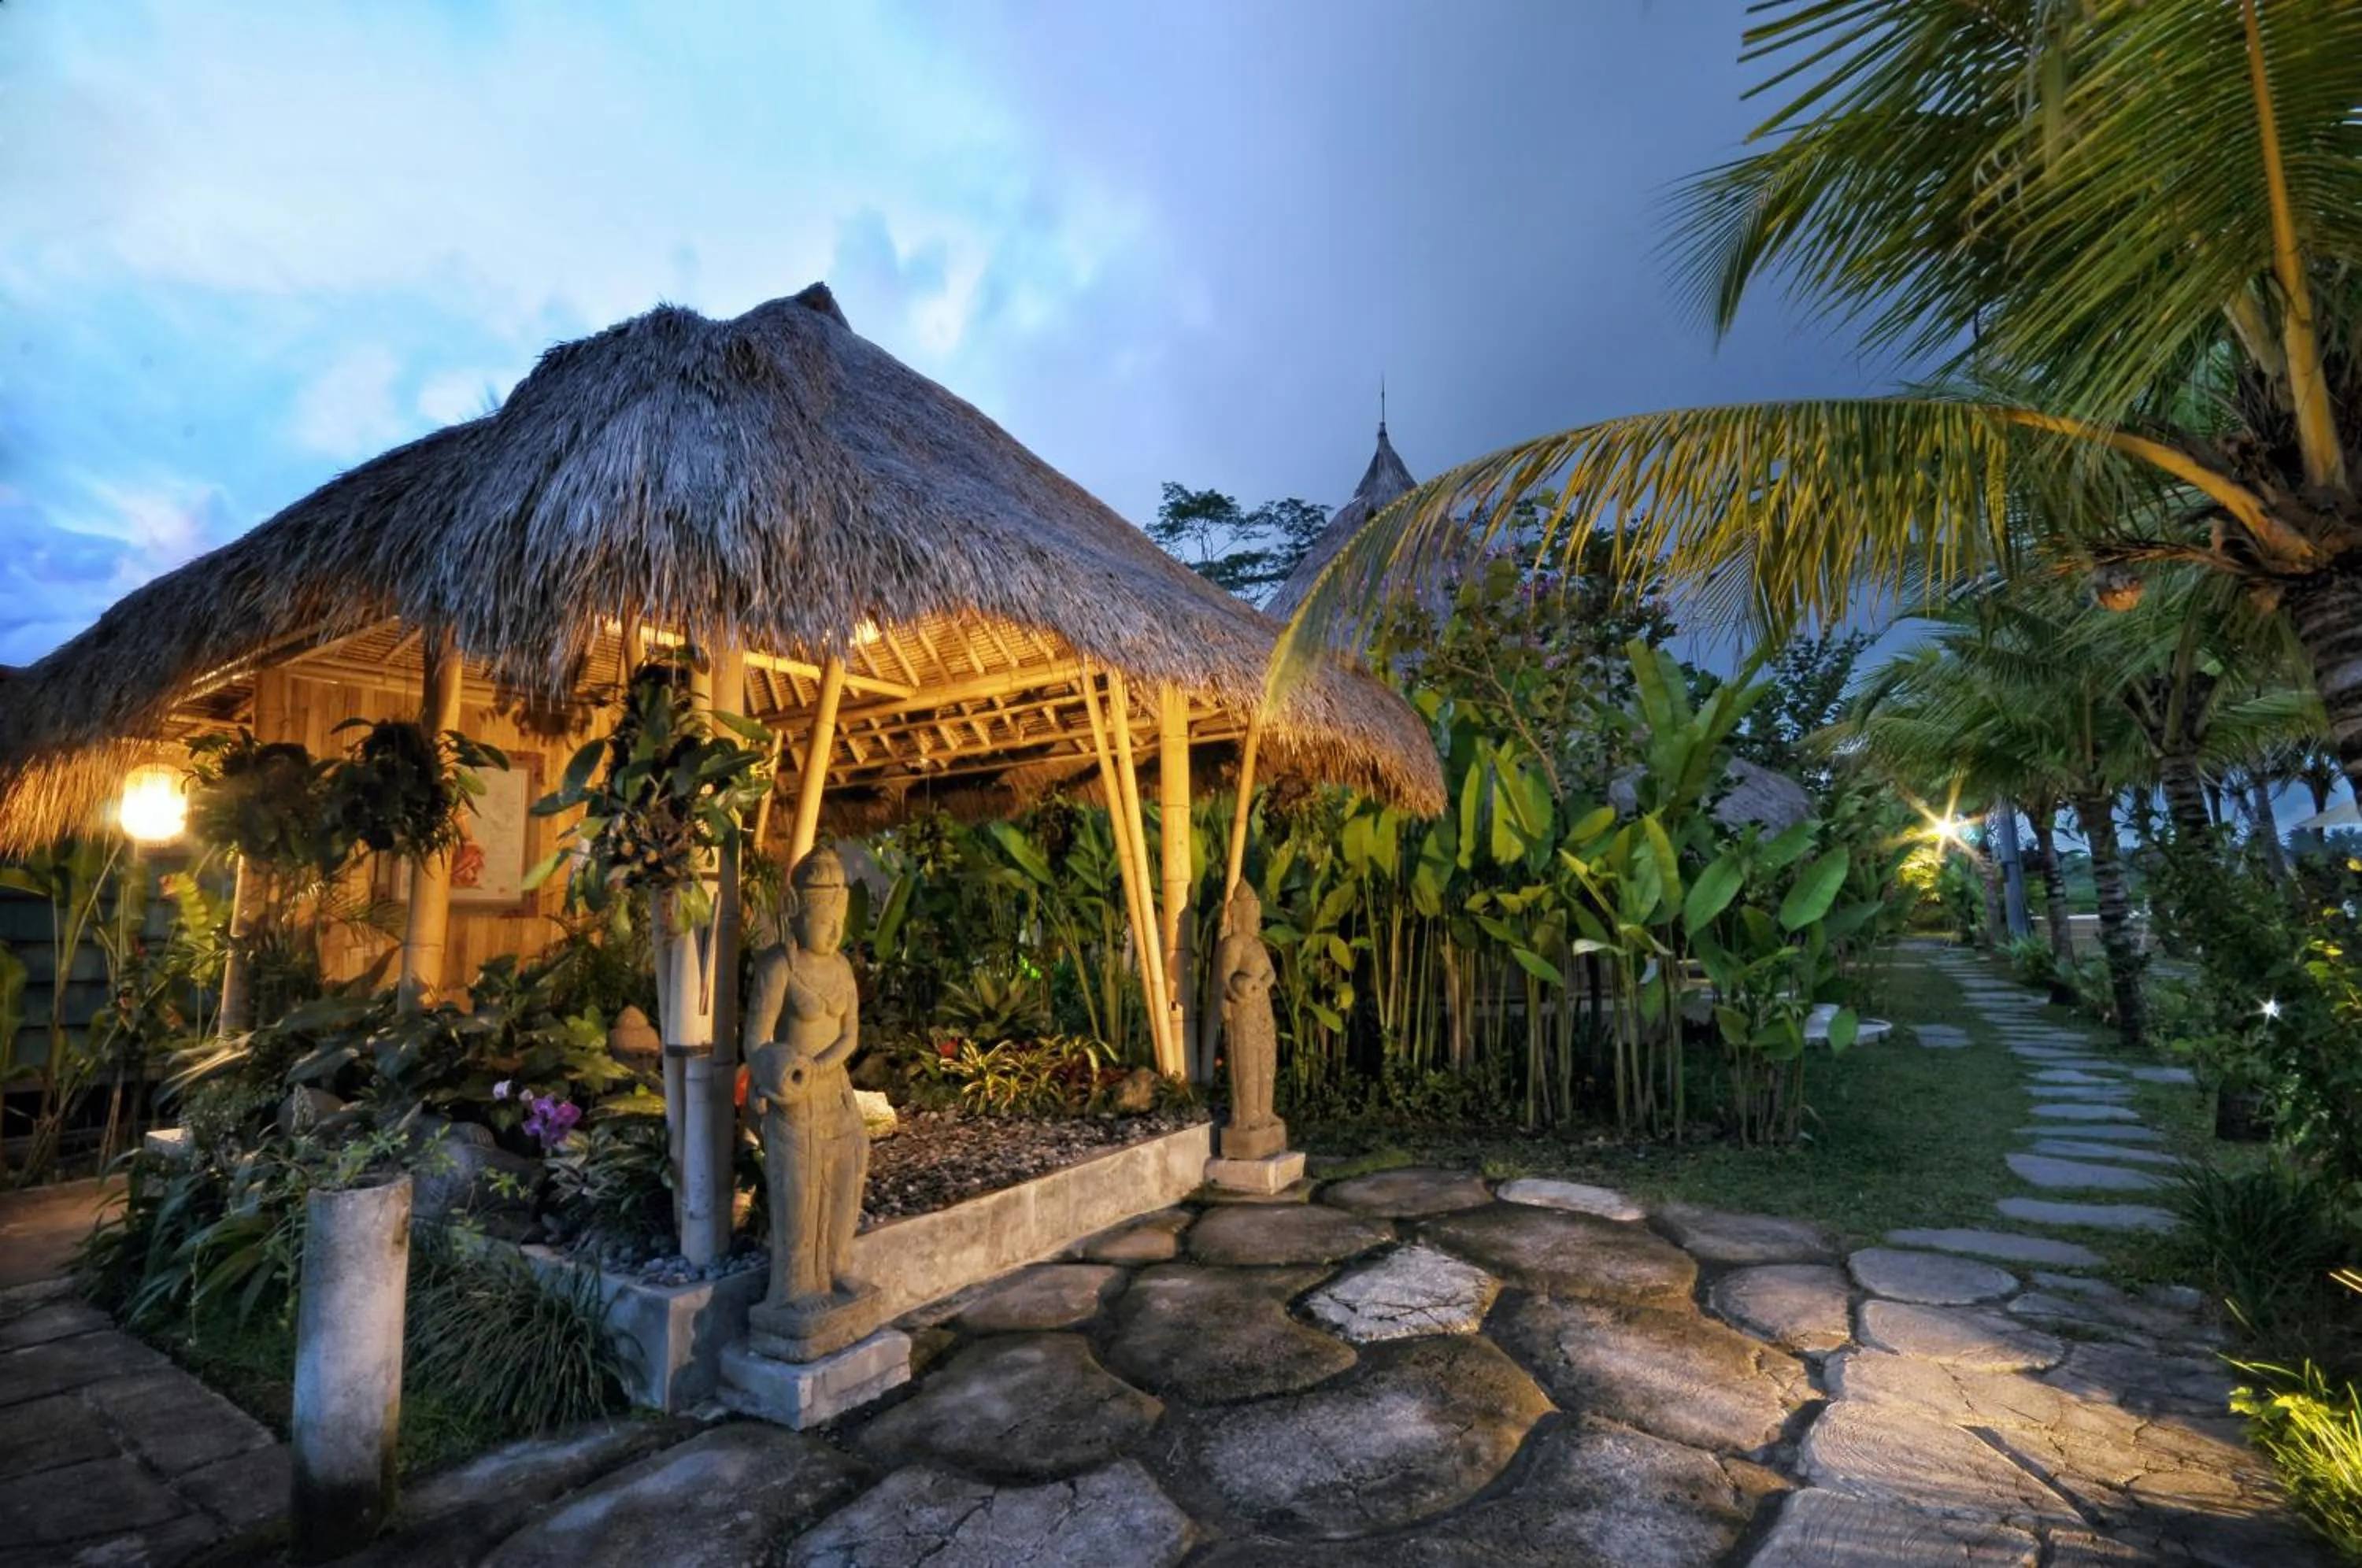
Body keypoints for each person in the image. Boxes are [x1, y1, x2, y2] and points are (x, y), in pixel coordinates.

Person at [743, 847, 866, 1307]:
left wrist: (822, 1066)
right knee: (799, 1195)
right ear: (795, 914)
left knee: (844, 1180)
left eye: (839, 919)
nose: (834, 930)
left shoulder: (842, 967)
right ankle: (795, 1288)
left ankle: (834, 1270)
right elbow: (755, 1038)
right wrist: (780, 1067)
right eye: (823, 918)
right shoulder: (779, 967)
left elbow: (851, 1035)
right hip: (795, 1099)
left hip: (835, 1092)